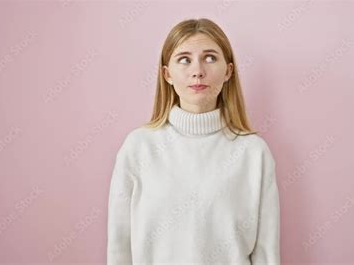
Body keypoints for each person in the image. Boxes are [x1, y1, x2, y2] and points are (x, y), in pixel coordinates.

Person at [107, 18, 280, 264]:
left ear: (228, 70)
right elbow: (119, 246)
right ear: (167, 74)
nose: (197, 71)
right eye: (184, 59)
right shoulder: (138, 148)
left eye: (210, 58)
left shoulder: (254, 153)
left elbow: (266, 252)